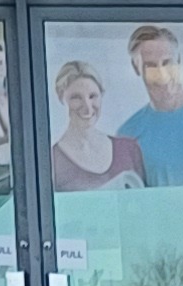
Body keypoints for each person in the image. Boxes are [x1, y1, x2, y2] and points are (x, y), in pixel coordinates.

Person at [124, 23, 183, 188]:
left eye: (167, 63)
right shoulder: (128, 134)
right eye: (151, 66)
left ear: (179, 60)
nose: (162, 75)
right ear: (136, 67)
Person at [48, 61, 140, 190]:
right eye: (76, 98)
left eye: (93, 96)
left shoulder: (129, 149)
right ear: (61, 98)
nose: (87, 107)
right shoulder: (52, 161)